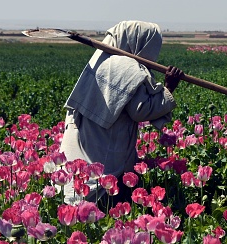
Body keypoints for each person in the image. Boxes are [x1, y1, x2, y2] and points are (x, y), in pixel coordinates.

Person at [59, 20, 183, 205]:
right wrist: (168, 89)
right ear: (141, 43)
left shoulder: (103, 60)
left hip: (90, 135)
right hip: (105, 143)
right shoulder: (126, 67)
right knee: (99, 186)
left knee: (80, 180)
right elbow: (140, 110)